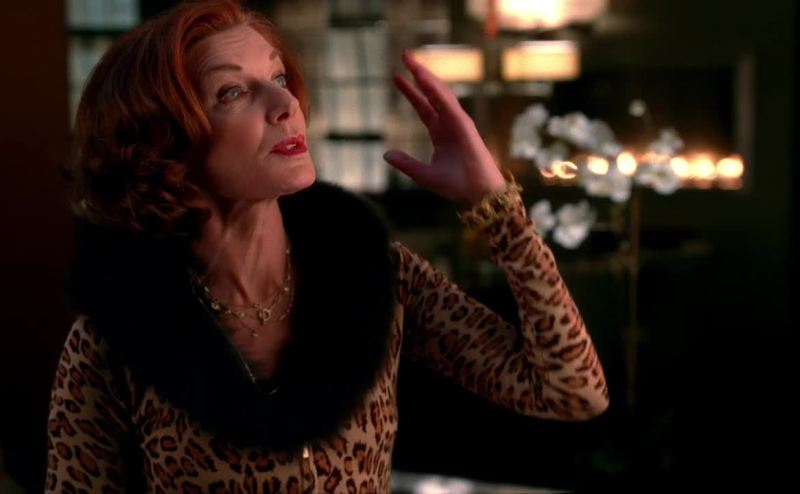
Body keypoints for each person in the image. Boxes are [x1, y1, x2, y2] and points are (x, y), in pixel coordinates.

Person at [45, 0, 609, 492]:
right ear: (162, 146)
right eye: (233, 91)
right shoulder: (113, 339)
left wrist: (496, 208)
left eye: (279, 77)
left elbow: (573, 390)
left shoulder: (372, 273)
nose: (284, 103)